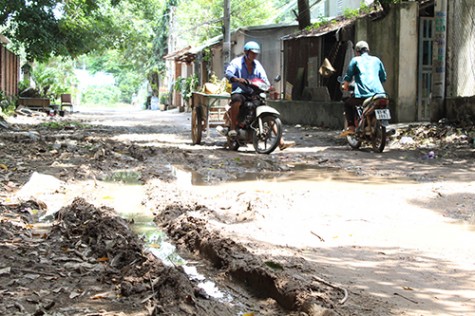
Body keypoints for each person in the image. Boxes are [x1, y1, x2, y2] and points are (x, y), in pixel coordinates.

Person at [224, 41, 295, 150]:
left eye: (256, 53)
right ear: (246, 52)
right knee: (237, 100)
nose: (254, 55)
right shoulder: (236, 62)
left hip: (253, 92)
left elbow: (264, 80)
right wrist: (237, 79)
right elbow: (228, 73)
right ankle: (233, 127)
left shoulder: (257, 65)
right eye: (252, 53)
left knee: (265, 111)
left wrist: (270, 88)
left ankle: (280, 142)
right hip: (240, 91)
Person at [340, 40, 387, 137]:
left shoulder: (355, 60)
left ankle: (351, 127)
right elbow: (383, 77)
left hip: (363, 95)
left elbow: (348, 76)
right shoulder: (377, 60)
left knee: (348, 104)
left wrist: (345, 85)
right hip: (380, 94)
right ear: (368, 50)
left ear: (357, 52)